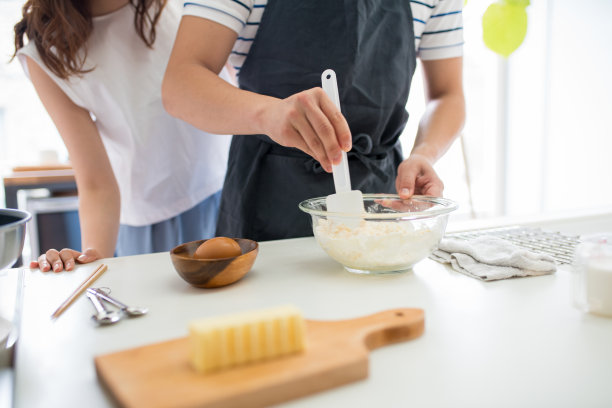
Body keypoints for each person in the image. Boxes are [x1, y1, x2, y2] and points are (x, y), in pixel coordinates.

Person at [163, 0, 466, 242]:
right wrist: (270, 114)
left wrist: (424, 153)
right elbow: (181, 85)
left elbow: (447, 94)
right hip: (265, 198)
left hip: (382, 200)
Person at [13, 0, 232, 272]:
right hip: (150, 222)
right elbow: (95, 183)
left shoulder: (182, 5)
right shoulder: (48, 54)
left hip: (230, 192)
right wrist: (90, 267)